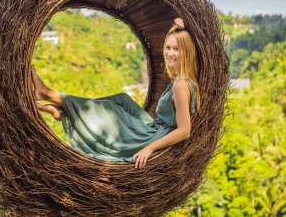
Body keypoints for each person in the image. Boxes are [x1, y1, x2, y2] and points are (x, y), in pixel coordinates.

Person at [31, 18, 200, 169]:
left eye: (176, 49)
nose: (170, 53)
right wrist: (179, 26)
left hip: (155, 136)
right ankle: (67, 110)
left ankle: (49, 95)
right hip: (156, 126)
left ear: (186, 52)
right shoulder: (181, 79)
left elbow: (184, 131)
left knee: (112, 110)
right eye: (168, 47)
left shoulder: (180, 85)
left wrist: (149, 148)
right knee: (122, 99)